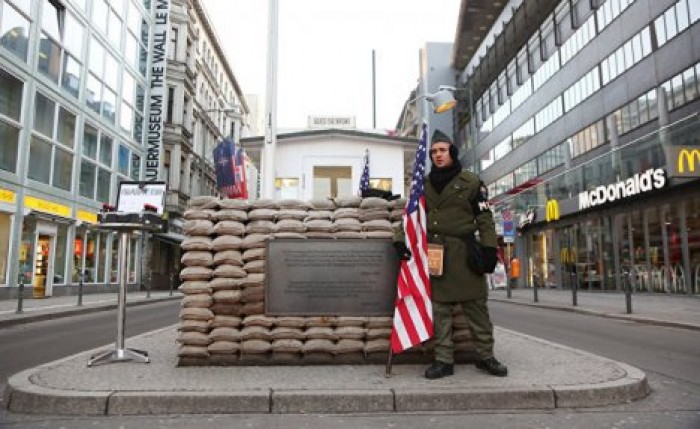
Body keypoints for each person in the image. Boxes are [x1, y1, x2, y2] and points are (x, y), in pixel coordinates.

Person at [394, 129, 508, 379]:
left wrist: (490, 249)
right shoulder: (422, 185)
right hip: (435, 254)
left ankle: (486, 356)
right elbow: (410, 216)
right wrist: (399, 240)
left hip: (465, 253)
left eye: (442, 150)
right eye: (434, 151)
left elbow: (485, 218)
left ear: (451, 153)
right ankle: (444, 360)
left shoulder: (472, 182)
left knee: (476, 307)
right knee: (441, 311)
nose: (437, 155)